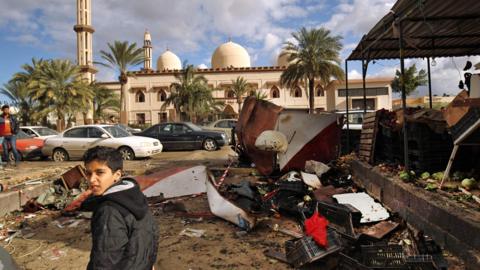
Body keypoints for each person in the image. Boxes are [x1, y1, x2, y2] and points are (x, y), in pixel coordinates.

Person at [81, 146, 158, 270]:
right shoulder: (134, 194)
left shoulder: (109, 211)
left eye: (100, 172)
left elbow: (104, 261)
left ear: (117, 175)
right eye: (88, 173)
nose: (91, 179)